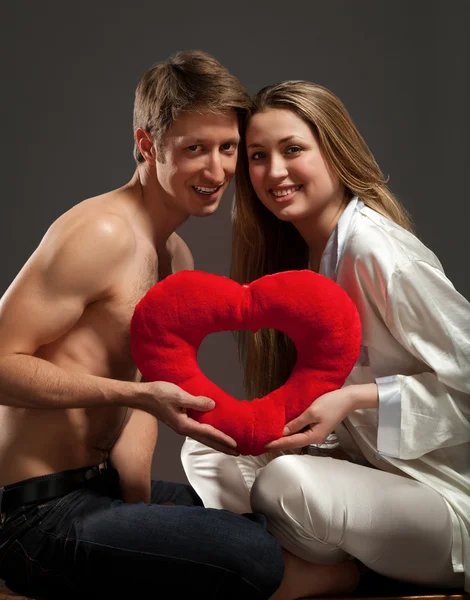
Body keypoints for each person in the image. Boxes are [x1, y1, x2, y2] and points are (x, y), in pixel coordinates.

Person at [0, 51, 285, 599]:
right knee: (252, 553)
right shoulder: (101, 234)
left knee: (274, 520)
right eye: (194, 149)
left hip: (100, 493)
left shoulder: (176, 257)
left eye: (228, 148)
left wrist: (139, 507)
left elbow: (152, 391)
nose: (217, 170)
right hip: (37, 516)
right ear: (148, 144)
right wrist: (137, 395)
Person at [182, 80, 470, 599]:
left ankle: (316, 576)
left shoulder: (376, 252)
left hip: (442, 502)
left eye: (293, 150)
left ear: (334, 153)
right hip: (371, 474)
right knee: (208, 447)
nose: (275, 172)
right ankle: (282, 569)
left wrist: (356, 399)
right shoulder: (304, 256)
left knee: (286, 483)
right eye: (257, 156)